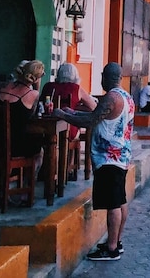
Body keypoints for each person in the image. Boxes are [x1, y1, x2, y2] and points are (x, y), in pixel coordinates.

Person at [53, 62, 135, 261]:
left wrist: (63, 115)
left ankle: (112, 248)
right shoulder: (126, 96)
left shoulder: (112, 97)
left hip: (109, 158)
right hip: (120, 156)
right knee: (120, 201)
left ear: (106, 77)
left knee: (113, 204)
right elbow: (95, 116)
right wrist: (74, 113)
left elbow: (91, 121)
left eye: (102, 77)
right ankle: (116, 242)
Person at [0, 60, 45, 190]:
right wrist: (37, 87)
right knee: (39, 151)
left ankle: (6, 185)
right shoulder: (32, 94)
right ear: (35, 78)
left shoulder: (4, 88)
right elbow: (34, 115)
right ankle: (26, 188)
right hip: (15, 144)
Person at [40, 63, 98, 140]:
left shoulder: (48, 86)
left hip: (47, 129)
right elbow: (93, 107)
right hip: (70, 129)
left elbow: (40, 103)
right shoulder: (76, 88)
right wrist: (76, 108)